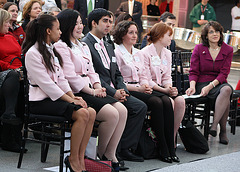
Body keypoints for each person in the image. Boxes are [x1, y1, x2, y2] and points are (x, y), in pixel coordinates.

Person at [55, 9, 128, 171]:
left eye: (81, 23)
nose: (80, 27)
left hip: (89, 88)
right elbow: (70, 77)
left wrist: (97, 86)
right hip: (75, 91)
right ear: (67, 25)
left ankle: (110, 154)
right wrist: (92, 91)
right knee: (112, 114)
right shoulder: (61, 46)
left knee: (122, 110)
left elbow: (92, 71)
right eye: (76, 24)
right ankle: (99, 155)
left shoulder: (81, 45)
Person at [23, 14, 96, 172]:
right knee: (82, 114)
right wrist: (70, 101)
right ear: (48, 31)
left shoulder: (50, 50)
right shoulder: (33, 53)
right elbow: (47, 85)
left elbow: (61, 79)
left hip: (54, 99)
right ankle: (72, 159)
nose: (61, 32)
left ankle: (80, 157)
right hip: (40, 102)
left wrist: (73, 96)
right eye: (58, 29)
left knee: (91, 112)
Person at [82, 8, 147, 162]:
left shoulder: (108, 43)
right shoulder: (86, 44)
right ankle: (107, 153)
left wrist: (122, 89)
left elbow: (116, 72)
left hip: (114, 89)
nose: (109, 25)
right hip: (98, 89)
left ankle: (115, 151)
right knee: (127, 109)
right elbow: (95, 74)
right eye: (105, 21)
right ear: (93, 23)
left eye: (111, 22)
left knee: (139, 106)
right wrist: (113, 92)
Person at [113, 20, 179, 163]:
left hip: (141, 87)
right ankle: (162, 147)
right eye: (131, 32)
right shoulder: (116, 52)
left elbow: (144, 75)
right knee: (156, 101)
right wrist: (140, 88)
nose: (134, 35)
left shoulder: (137, 53)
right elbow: (117, 79)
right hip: (128, 88)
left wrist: (145, 86)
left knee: (166, 101)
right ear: (122, 34)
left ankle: (169, 147)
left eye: (136, 32)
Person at [186, 21, 233, 145]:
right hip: (201, 83)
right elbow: (194, 71)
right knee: (226, 98)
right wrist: (192, 86)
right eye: (211, 32)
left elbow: (224, 73)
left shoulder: (228, 49)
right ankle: (222, 131)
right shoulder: (199, 48)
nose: (215, 34)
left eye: (217, 31)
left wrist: (211, 86)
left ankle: (214, 125)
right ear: (206, 35)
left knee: (227, 90)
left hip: (218, 82)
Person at [140, 23, 185, 147]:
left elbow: (167, 76)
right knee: (170, 102)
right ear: (160, 37)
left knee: (180, 101)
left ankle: (173, 136)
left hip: (163, 88)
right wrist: (165, 91)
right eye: (169, 35)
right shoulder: (145, 53)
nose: (171, 38)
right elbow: (147, 79)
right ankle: (163, 138)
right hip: (152, 89)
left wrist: (170, 87)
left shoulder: (167, 53)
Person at [0, 9, 25, 153]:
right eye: (7, 22)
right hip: (4, 73)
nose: (10, 25)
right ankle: (9, 113)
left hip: (16, 73)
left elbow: (19, 55)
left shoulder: (10, 37)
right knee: (14, 77)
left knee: (22, 86)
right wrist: (12, 68)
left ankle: (13, 136)